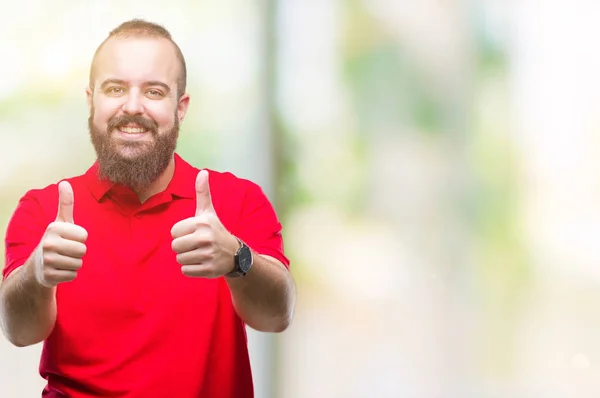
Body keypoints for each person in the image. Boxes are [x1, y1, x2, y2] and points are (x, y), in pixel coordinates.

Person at [0, 18, 296, 398]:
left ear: (181, 106)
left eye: (154, 91)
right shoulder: (43, 210)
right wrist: (37, 273)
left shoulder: (237, 200)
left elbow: (277, 316)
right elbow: (18, 332)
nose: (133, 106)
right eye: (115, 88)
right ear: (91, 101)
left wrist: (237, 258)